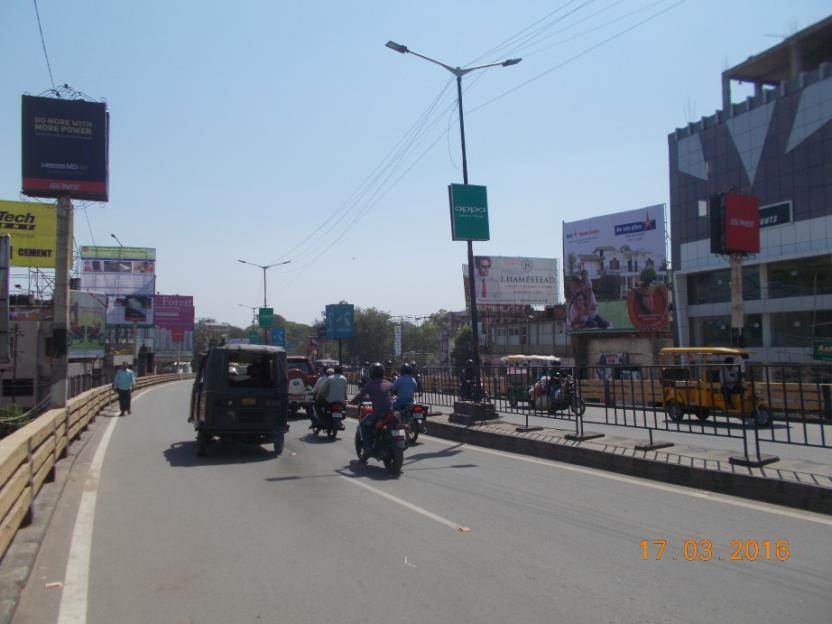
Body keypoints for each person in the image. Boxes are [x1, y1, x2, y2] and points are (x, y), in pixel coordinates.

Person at [352, 362, 393, 455]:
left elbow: (360, 396)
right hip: (390, 412)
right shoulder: (389, 383)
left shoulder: (370, 384)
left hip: (378, 413)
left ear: (372, 373)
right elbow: (394, 393)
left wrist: (353, 401)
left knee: (363, 425)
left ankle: (368, 447)